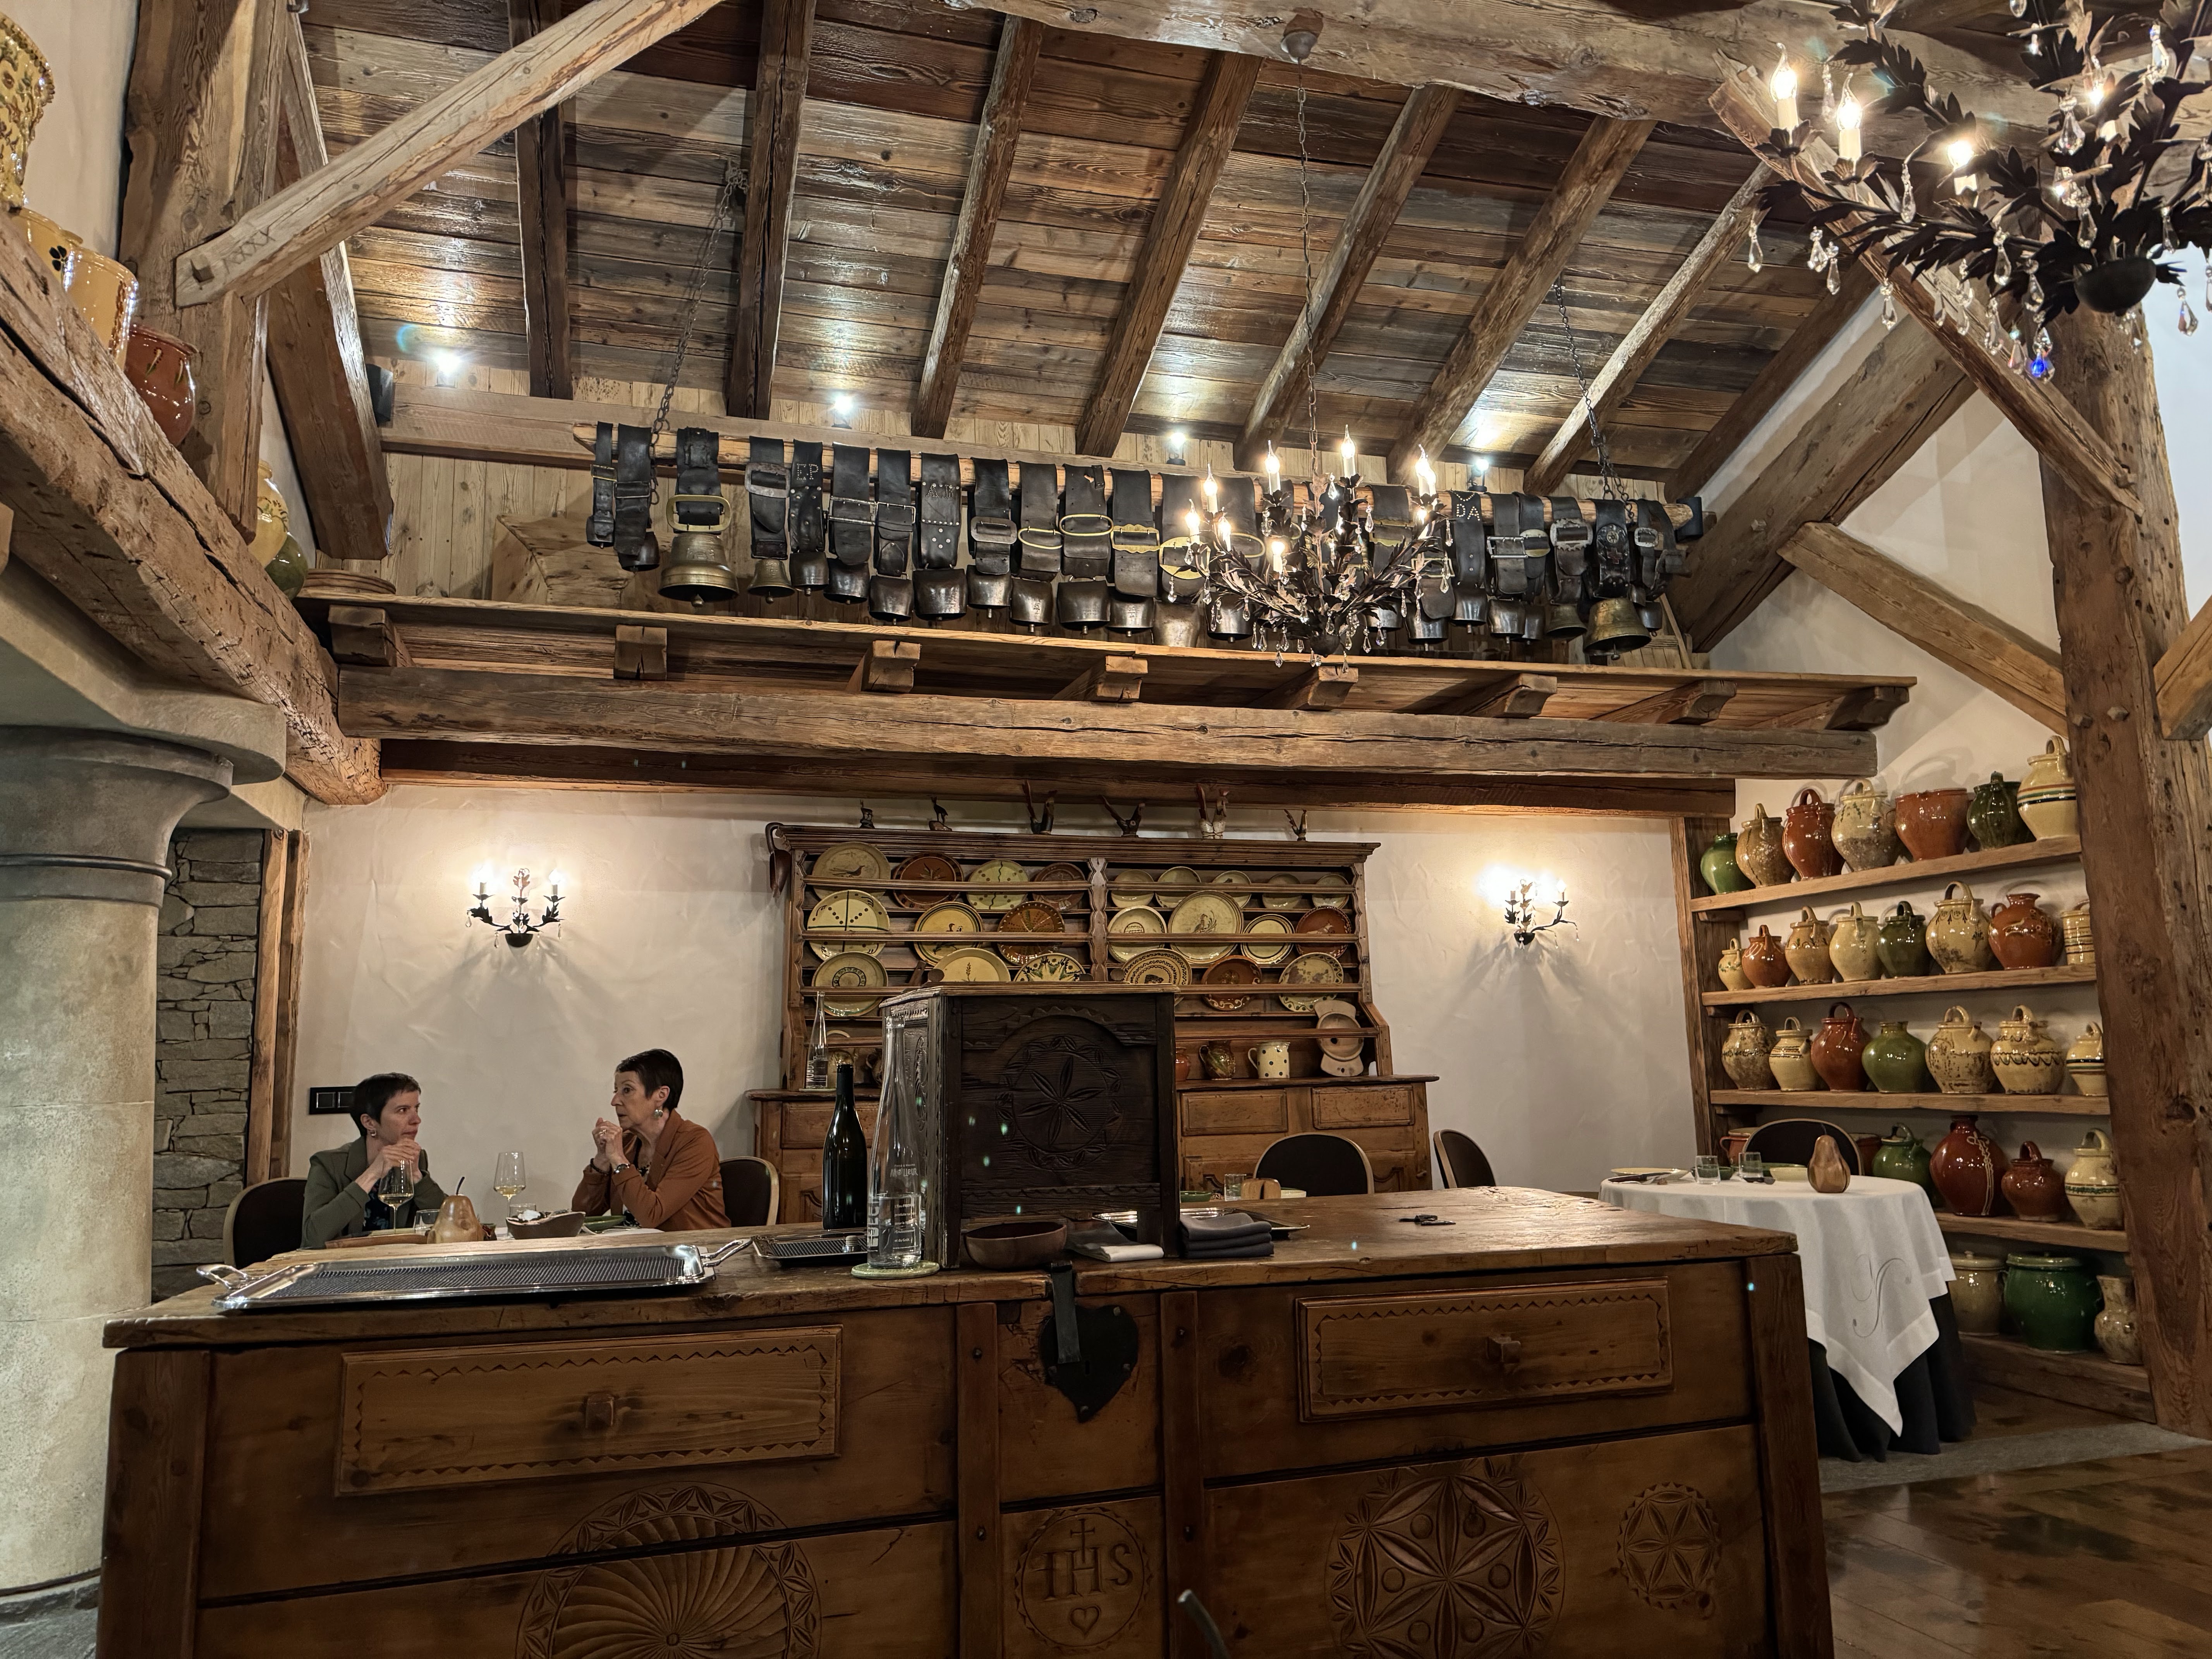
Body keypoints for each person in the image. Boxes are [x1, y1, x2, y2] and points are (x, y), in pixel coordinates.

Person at [571, 1049, 728, 1231]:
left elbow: (652, 1215)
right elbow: (582, 1215)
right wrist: (602, 1160)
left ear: (661, 1095)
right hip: (637, 1247)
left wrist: (619, 1160)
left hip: (695, 1247)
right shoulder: (627, 1143)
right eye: (616, 1091)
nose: (615, 1101)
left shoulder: (695, 1142)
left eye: (627, 1090)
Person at [301, 1072, 447, 1248]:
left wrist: (417, 1176)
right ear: (370, 1123)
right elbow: (313, 1238)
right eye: (403, 1111)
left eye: (416, 1109)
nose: (417, 1120)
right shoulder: (328, 1164)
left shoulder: (416, 1158)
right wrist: (372, 1174)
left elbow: (447, 1225)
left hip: (398, 1261)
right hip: (343, 1263)